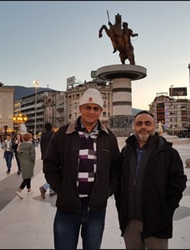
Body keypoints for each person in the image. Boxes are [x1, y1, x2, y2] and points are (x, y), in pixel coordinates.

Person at [43, 88, 121, 249]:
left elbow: (117, 169)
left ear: (100, 111)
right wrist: (61, 189)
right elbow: (49, 164)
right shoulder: (63, 134)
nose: (91, 112)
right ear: (80, 109)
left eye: (95, 108)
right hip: (67, 207)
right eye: (88, 107)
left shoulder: (109, 137)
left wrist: (107, 191)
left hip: (96, 209)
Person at [114, 110, 187, 249]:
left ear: (154, 126)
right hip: (130, 222)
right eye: (139, 123)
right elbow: (118, 181)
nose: (143, 127)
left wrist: (166, 210)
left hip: (157, 221)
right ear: (134, 127)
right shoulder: (126, 151)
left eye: (147, 123)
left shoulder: (168, 152)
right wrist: (121, 206)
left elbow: (178, 182)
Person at [15, 133, 36, 199]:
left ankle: (29, 189)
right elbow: (32, 155)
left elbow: (18, 154)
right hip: (29, 162)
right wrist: (33, 161)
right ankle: (19, 190)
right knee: (27, 177)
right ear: (29, 138)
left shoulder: (21, 145)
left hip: (23, 162)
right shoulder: (31, 146)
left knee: (27, 175)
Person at [39, 122, 56, 199]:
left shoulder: (43, 135)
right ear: (51, 127)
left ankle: (51, 190)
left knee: (49, 173)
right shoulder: (54, 134)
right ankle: (45, 187)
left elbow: (41, 146)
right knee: (56, 173)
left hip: (45, 157)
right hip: (54, 156)